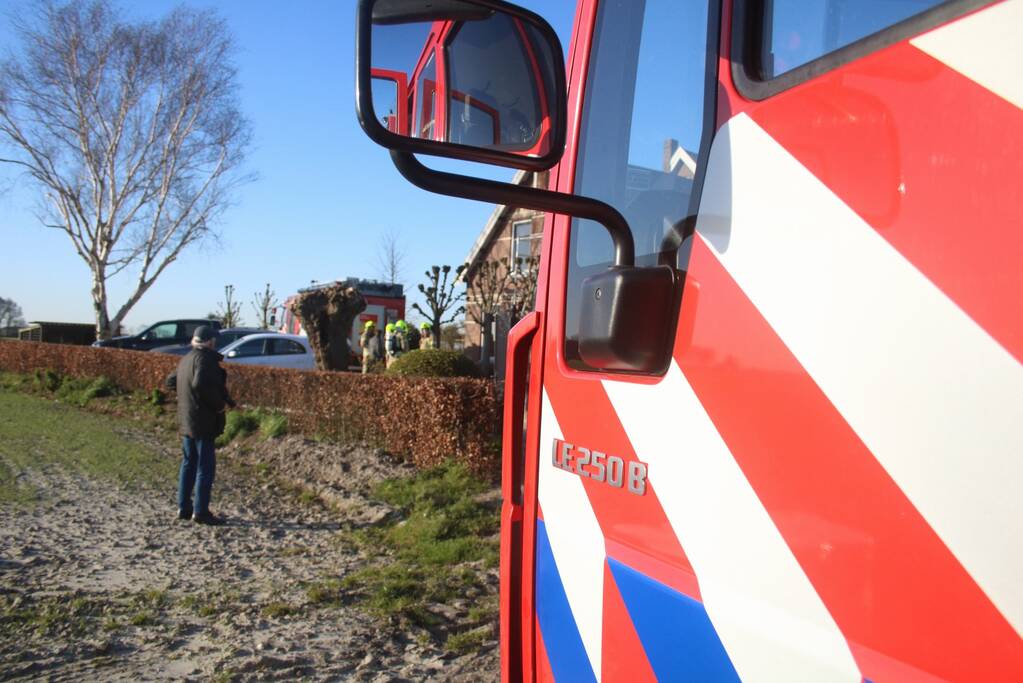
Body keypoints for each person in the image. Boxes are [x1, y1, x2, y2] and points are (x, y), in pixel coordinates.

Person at [164, 325, 232, 525]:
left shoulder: (186, 359)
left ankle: (183, 508)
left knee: (188, 464)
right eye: (214, 341)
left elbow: (170, 382)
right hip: (203, 421)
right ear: (210, 342)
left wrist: (186, 398)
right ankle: (201, 511)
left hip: (187, 419)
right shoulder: (206, 360)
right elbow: (200, 383)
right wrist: (219, 405)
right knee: (205, 467)